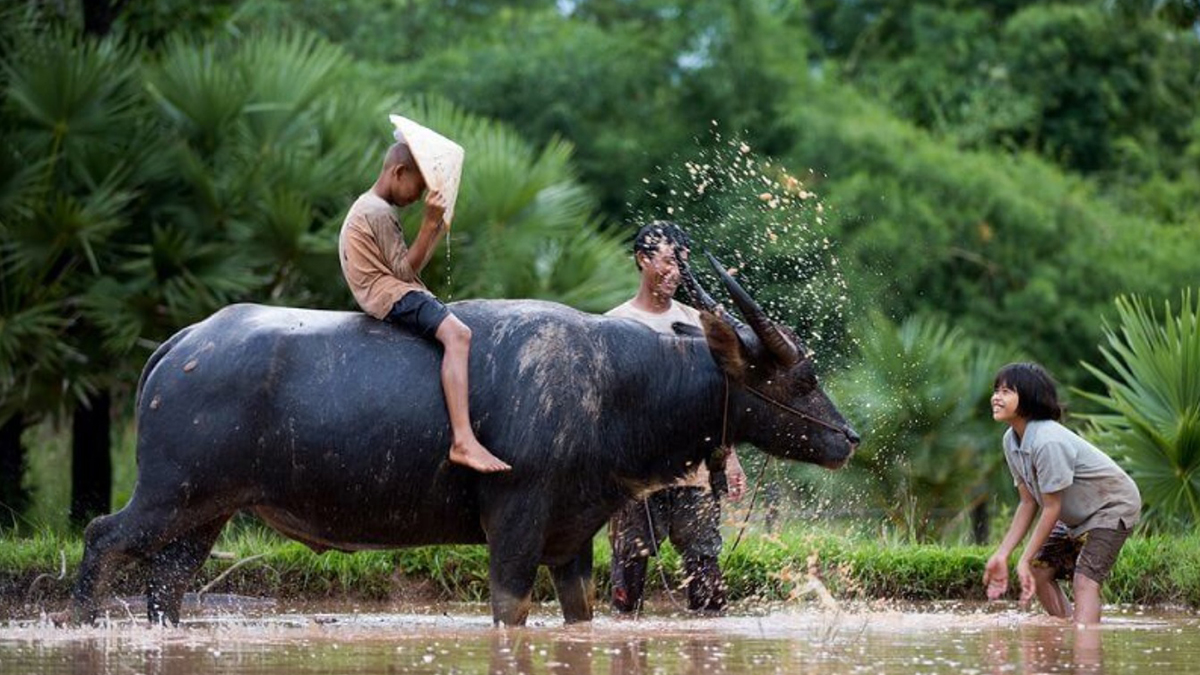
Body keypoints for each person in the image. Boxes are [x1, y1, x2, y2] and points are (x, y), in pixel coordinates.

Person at [338, 121, 510, 473]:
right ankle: (462, 439)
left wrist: (435, 228)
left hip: (392, 288)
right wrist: (428, 224)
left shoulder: (373, 208)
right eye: (418, 186)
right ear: (399, 172)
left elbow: (409, 267)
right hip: (388, 294)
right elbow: (403, 273)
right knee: (458, 334)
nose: (417, 197)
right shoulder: (377, 212)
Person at [606, 221, 747, 614]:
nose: (676, 272)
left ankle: (707, 654)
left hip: (695, 474)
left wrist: (730, 457)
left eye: (682, 263)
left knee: (706, 577)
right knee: (628, 577)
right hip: (637, 477)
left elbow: (719, 399)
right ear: (643, 260)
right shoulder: (614, 325)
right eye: (669, 261)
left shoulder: (699, 324)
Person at [982, 362, 1140, 625]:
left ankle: (1086, 656)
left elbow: (1051, 508)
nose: (996, 397)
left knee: (1085, 581)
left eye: (1007, 391)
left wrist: (1023, 557)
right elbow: (1028, 502)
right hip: (1076, 514)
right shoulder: (1011, 440)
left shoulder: (1048, 440)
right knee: (1038, 571)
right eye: (996, 390)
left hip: (1113, 506)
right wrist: (1003, 554)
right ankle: (1067, 629)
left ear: (1029, 399)